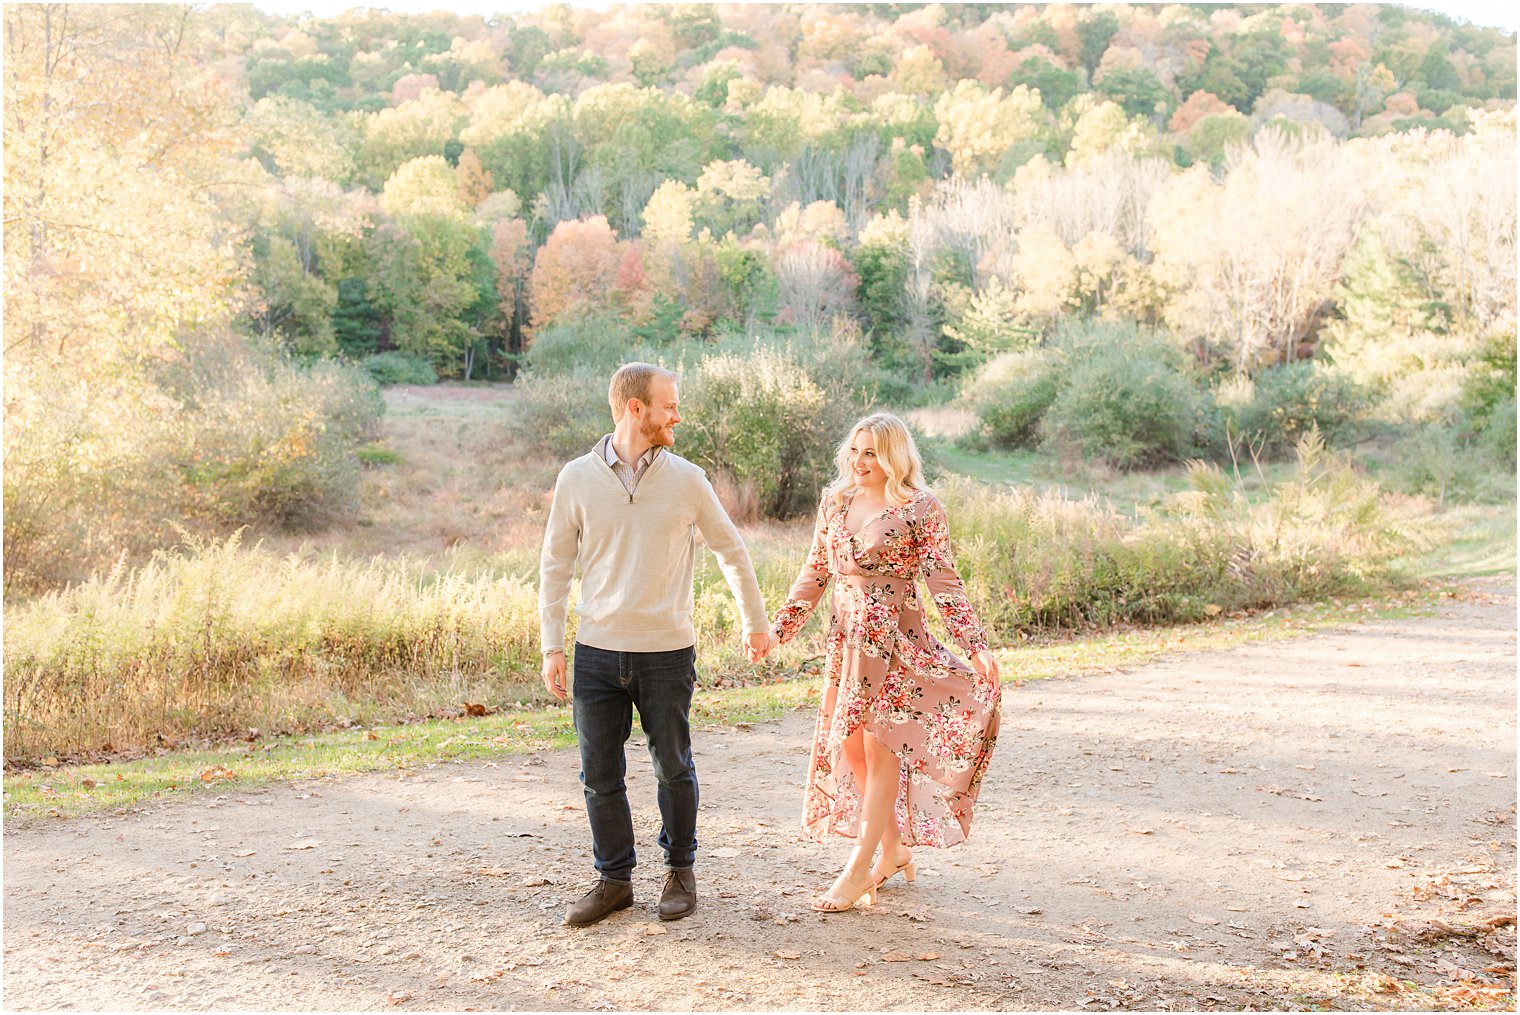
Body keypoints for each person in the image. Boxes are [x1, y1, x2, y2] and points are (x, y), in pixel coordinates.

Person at [538, 362, 771, 927]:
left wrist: (755, 621)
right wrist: (552, 647)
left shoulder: (687, 478)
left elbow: (731, 550)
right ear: (634, 409)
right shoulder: (576, 477)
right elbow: (554, 566)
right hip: (596, 651)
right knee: (598, 773)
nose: (677, 415)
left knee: (672, 765)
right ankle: (614, 880)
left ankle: (680, 872)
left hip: (667, 652)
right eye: (669, 405)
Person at [757, 412, 1001, 912]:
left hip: (896, 643)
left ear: (893, 457)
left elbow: (944, 581)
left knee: (879, 746)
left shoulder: (920, 508)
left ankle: (858, 868)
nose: (859, 461)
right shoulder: (835, 500)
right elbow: (816, 570)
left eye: (871, 452)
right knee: (848, 746)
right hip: (847, 640)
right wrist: (778, 628)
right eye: (854, 450)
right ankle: (893, 849)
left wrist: (974, 643)